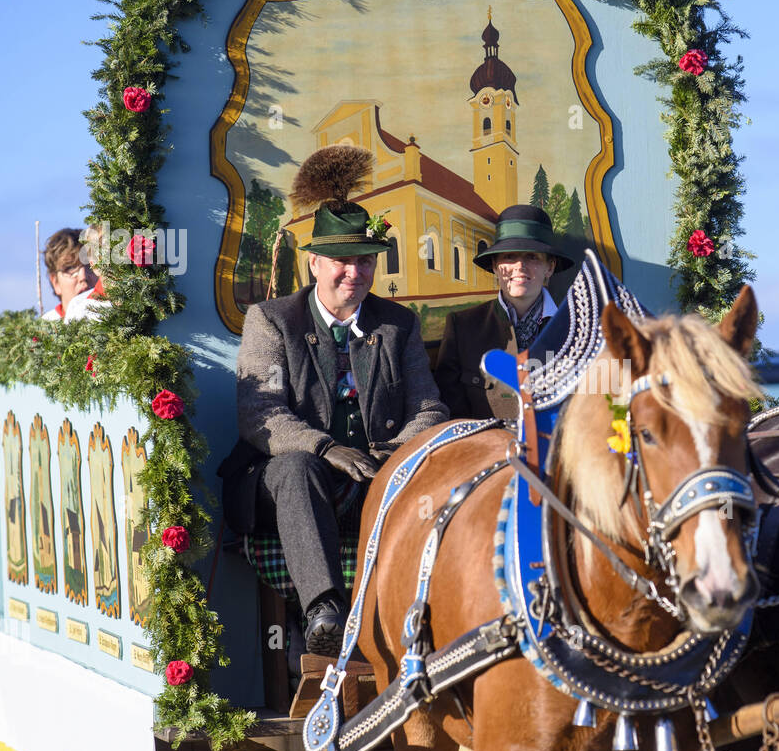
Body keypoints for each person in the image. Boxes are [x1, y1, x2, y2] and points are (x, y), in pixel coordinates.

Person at [218, 145, 448, 655]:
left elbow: (429, 408)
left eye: (364, 261)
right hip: (290, 485)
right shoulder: (273, 320)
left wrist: (394, 455)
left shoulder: (397, 324)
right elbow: (261, 413)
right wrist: (324, 449)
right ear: (315, 262)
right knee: (296, 467)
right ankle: (323, 610)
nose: (354, 273)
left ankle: (423, 628)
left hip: (377, 479)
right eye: (341, 261)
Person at [434, 204, 573, 419]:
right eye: (509, 256)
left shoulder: (575, 329)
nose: (520, 266)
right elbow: (451, 410)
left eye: (532, 257)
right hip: (486, 449)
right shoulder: (463, 328)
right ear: (495, 265)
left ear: (550, 267)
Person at [40, 227, 98, 321]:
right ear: (56, 282)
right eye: (70, 268)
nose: (83, 276)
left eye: (90, 265)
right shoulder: (44, 331)